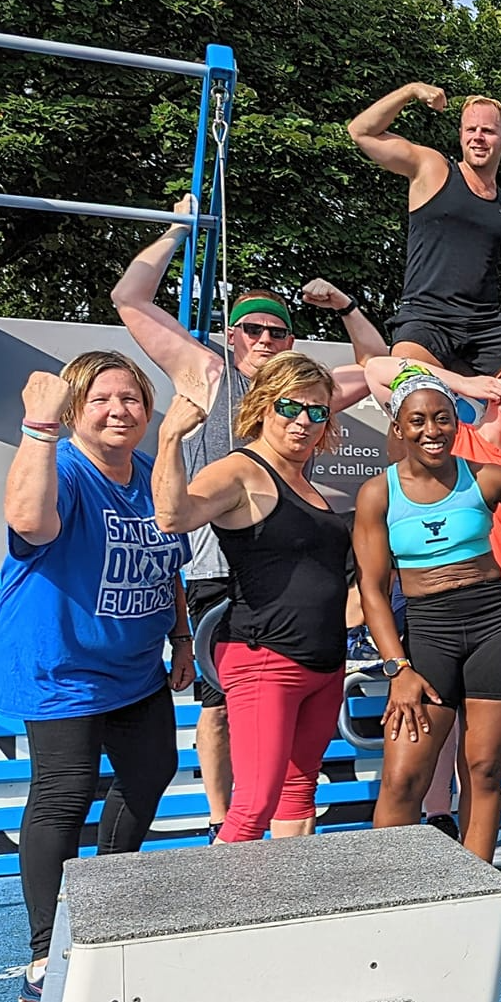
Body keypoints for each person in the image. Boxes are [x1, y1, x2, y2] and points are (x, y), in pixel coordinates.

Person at [111, 199, 384, 838]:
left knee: (290, 778)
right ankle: (220, 822)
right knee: (221, 714)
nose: (264, 339)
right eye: (252, 329)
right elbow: (130, 299)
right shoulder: (206, 373)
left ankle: (264, 862)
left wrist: (345, 308)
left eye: (277, 332)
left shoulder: (309, 394)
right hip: (219, 566)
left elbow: (377, 367)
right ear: (232, 336)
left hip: (293, 578)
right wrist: (179, 231)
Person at [0, 357, 192, 1002]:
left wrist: (183, 637)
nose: (119, 409)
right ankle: (46, 950)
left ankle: (103, 904)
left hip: (135, 669)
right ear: (76, 407)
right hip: (62, 668)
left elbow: (170, 563)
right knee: (63, 796)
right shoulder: (66, 467)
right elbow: (30, 523)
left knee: (152, 773)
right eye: (102, 398)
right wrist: (38, 428)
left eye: (131, 398)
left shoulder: (144, 472)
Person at [354, 367, 501, 863]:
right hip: (427, 633)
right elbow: (372, 589)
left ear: (457, 424)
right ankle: (387, 896)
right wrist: (397, 667)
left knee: (482, 769)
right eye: (417, 421)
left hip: (493, 627)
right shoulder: (378, 494)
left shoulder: (486, 477)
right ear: (398, 429)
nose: (432, 430)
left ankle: (475, 885)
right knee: (402, 777)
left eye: (442, 419)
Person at [152, 355, 352, 844]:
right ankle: (213, 917)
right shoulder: (241, 469)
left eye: (317, 412)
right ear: (264, 406)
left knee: (299, 793)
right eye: (291, 407)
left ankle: (286, 912)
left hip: (324, 665)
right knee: (252, 807)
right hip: (265, 661)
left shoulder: (308, 482)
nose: (303, 421)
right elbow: (173, 517)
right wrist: (170, 438)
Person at [348, 83, 501, 377]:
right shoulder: (433, 168)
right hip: (427, 317)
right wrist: (410, 91)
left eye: (487, 131)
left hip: (486, 326)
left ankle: (478, 418)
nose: (478, 137)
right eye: (471, 129)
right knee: (413, 388)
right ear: (461, 135)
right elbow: (361, 131)